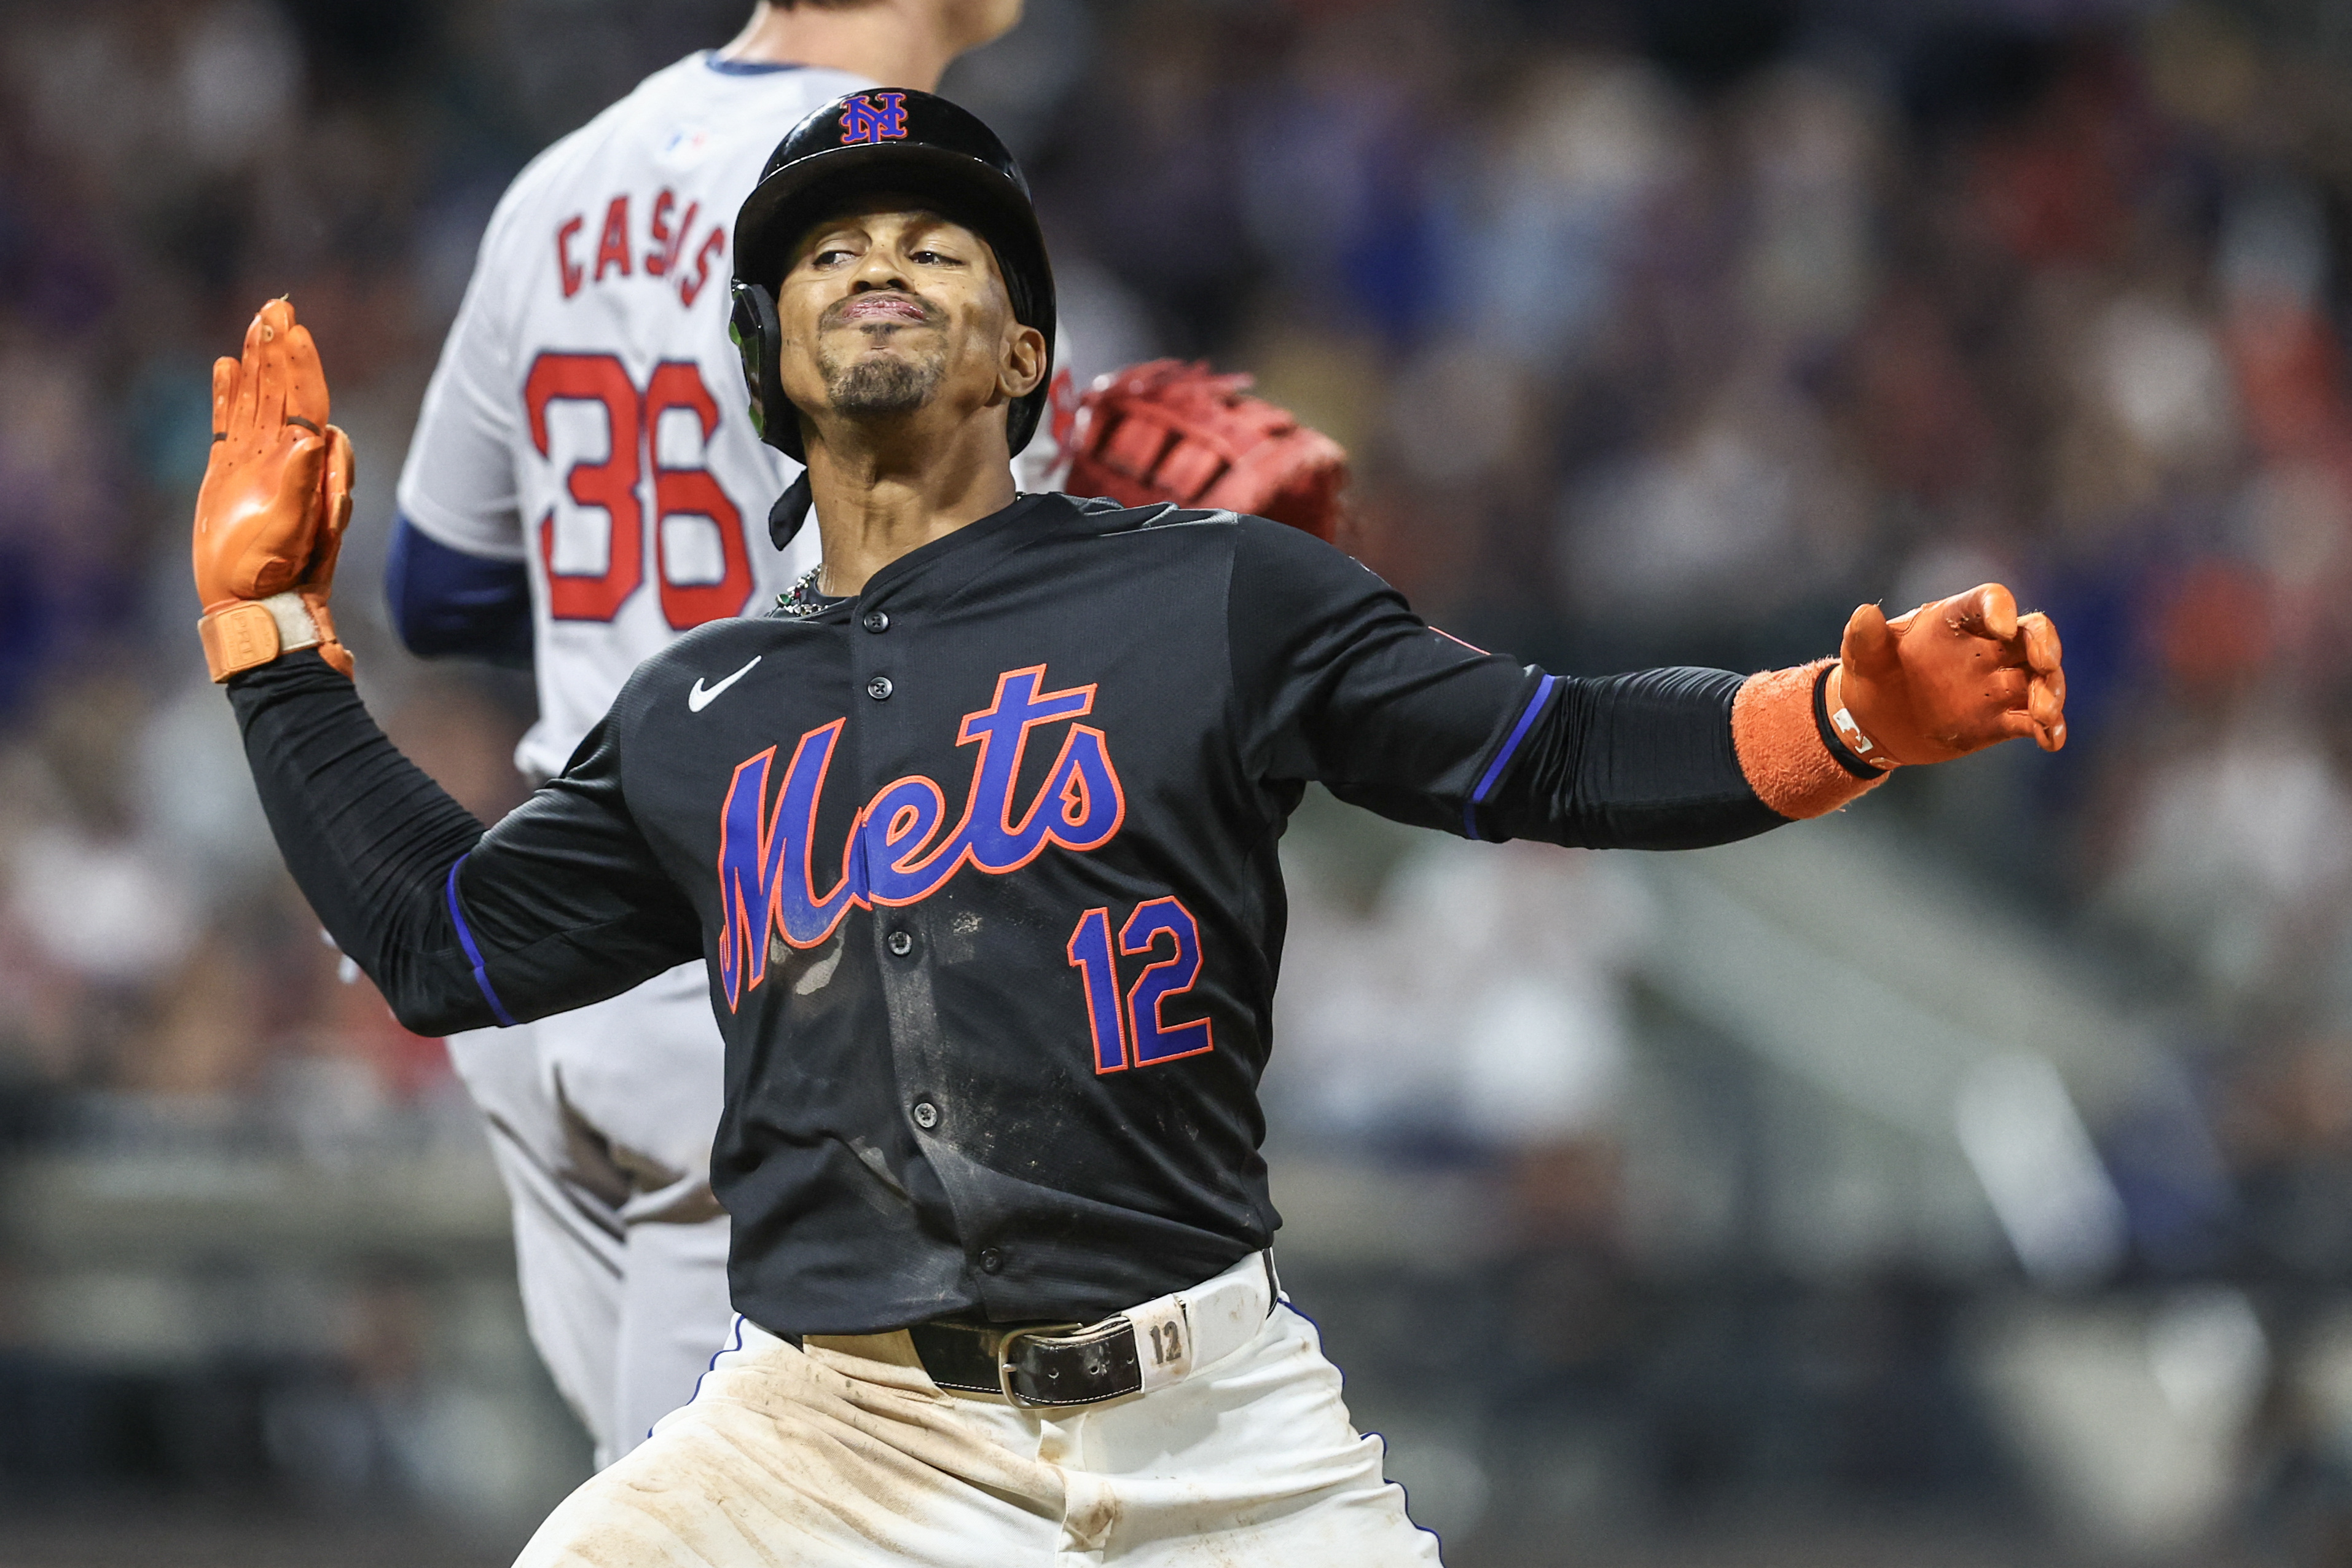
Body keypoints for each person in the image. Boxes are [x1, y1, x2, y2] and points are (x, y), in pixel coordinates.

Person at [192, 90, 2064, 1567]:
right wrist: (271, 644)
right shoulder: (695, 714)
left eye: (939, 245)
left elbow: (1551, 752)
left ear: (1023, 360)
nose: (882, 264)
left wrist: (1835, 721)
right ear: (769, 371)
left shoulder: (1218, 595)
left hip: (1210, 1424)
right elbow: (446, 943)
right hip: (832, 1440)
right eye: (832, 251)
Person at [385, 0, 1068, 1467]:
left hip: (567, 984)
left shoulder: (564, 179)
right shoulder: (910, 209)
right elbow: (1017, 613)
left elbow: (437, 585)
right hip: (776, 990)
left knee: (661, 1499)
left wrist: (636, 617)